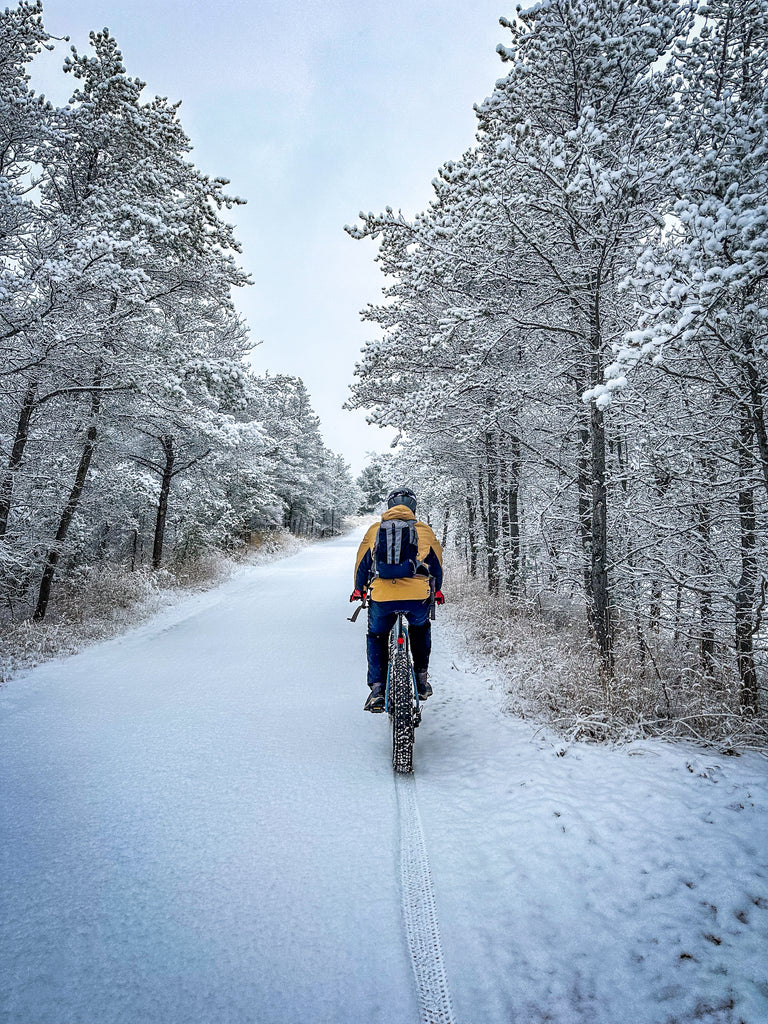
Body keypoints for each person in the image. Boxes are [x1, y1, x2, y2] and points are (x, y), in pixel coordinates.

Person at [350, 487, 445, 712]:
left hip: (382, 597)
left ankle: (377, 691)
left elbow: (362, 564)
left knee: (377, 636)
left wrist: (359, 589)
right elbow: (437, 566)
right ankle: (421, 681)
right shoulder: (424, 530)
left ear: (389, 506)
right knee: (420, 629)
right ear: (413, 507)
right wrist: (437, 591)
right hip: (417, 597)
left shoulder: (375, 529)